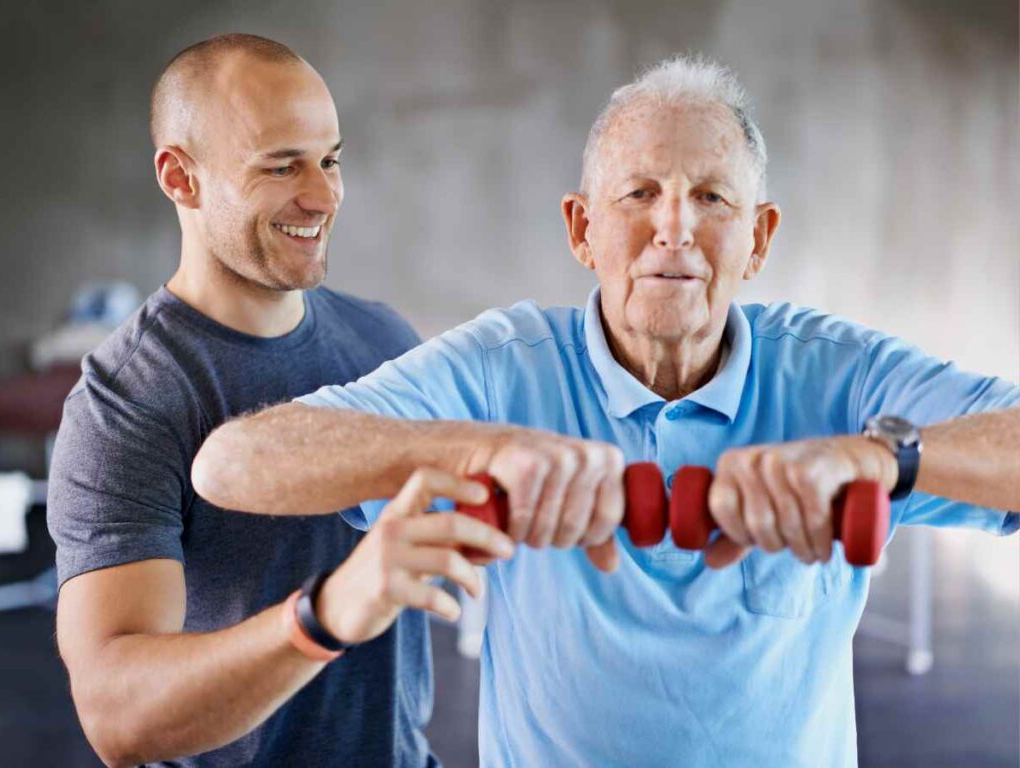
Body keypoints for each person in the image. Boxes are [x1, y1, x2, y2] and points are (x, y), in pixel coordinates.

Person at [193, 54, 1020, 767]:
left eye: (711, 198)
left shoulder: (841, 373)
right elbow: (231, 463)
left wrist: (881, 458)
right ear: (582, 229)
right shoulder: (500, 367)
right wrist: (484, 448)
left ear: (760, 239)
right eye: (639, 193)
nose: (674, 227)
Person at [47, 33, 513, 768]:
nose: (325, 195)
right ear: (181, 178)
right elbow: (116, 716)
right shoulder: (127, 401)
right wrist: (324, 613)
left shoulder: (384, 339)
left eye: (330, 159)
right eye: (281, 165)